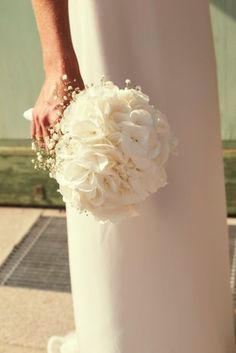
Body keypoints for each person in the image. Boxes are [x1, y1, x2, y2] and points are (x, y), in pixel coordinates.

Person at [31, 1, 236, 352]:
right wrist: (57, 64)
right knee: (110, 179)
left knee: (191, 191)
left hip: (181, 23)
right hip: (104, 20)